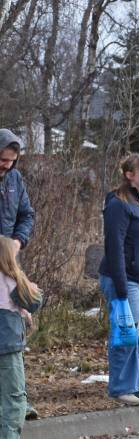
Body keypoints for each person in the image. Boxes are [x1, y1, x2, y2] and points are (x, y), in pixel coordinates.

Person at [98, 154, 139, 406]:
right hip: (123, 278)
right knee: (127, 332)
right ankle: (122, 387)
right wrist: (120, 285)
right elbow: (114, 246)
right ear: (129, 175)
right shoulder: (118, 204)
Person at [0, 129, 39, 421]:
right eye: (2, 160)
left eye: (11, 161)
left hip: (8, 261)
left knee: (14, 332)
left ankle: (17, 400)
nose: (7, 166)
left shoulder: (15, 179)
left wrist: (18, 240)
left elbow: (27, 214)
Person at [0, 236, 42, 439]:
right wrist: (31, 286)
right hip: (8, 346)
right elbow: (33, 302)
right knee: (14, 395)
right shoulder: (12, 280)